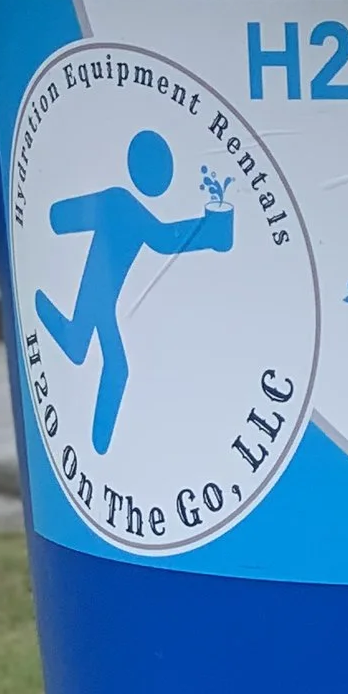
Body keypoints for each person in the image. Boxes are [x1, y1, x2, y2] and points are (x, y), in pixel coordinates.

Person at [36, 128, 234, 454]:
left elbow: (164, 239)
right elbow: (164, 238)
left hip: (101, 297)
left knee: (83, 341)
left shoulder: (122, 203)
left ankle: (52, 316)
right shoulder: (121, 203)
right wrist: (211, 230)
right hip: (100, 296)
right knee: (114, 364)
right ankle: (99, 446)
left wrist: (211, 230)